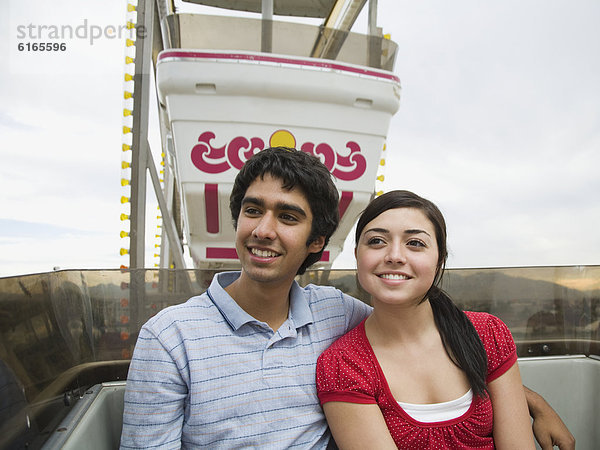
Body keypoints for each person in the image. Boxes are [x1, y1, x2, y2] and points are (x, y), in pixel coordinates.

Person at [121, 148, 574, 449]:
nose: (263, 230)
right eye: (253, 210)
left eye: (288, 216)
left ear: (317, 240)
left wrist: (527, 399)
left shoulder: (335, 312)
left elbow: (427, 343)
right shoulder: (169, 339)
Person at [316, 190, 533, 448]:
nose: (394, 256)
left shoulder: (487, 333)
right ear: (356, 256)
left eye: (415, 243)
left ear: (439, 258)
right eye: (376, 241)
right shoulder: (344, 365)